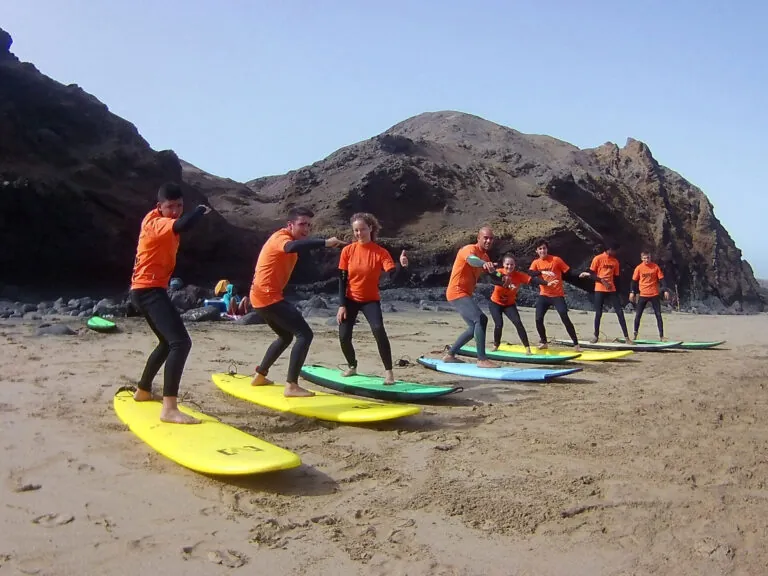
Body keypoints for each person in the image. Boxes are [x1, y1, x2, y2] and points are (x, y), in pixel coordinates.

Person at [129, 182, 211, 424]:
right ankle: (169, 409)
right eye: (170, 206)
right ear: (159, 207)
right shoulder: (156, 222)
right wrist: (198, 211)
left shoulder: (160, 220)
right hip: (148, 290)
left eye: (179, 206)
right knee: (181, 343)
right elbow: (183, 224)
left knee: (167, 343)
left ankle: (143, 391)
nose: (175, 211)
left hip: (148, 289)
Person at [249, 206, 346, 397]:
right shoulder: (282, 238)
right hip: (267, 297)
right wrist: (325, 242)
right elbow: (290, 248)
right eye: (302, 224)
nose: (306, 229)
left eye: (309, 225)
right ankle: (291, 385)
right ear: (290, 224)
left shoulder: (291, 238)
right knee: (304, 334)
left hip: (261, 296)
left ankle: (260, 375)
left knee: (285, 336)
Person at [336, 213, 409, 385]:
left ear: (370, 228)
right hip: (350, 299)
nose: (359, 233)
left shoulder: (380, 253)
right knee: (344, 336)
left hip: (370, 300)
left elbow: (393, 276)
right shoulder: (348, 251)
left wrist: (403, 267)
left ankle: (389, 373)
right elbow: (342, 279)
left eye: (362, 229)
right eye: (356, 230)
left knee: (378, 330)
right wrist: (341, 305)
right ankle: (352, 366)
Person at [442, 227, 514, 368]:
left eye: (490, 238)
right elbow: (473, 261)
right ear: (478, 238)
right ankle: (481, 359)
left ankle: (450, 355)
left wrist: (503, 277)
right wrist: (484, 264)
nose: (488, 240)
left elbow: (492, 275)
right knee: (481, 319)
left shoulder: (485, 257)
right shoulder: (468, 250)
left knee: (473, 327)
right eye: (485, 238)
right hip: (456, 291)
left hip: (464, 293)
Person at [489, 254, 558, 353]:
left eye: (512, 264)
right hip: (495, 303)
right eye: (507, 264)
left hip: (509, 305)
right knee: (499, 324)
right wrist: (505, 283)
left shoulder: (519, 275)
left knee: (518, 323)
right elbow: (493, 278)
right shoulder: (500, 272)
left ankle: (527, 348)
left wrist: (547, 283)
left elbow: (532, 280)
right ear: (503, 264)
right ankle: (496, 345)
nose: (509, 266)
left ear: (515, 265)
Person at [528, 239, 583, 352]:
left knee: (564, 317)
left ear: (547, 249)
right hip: (544, 295)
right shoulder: (536, 263)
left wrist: (580, 273)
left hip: (557, 295)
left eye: (544, 248)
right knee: (538, 319)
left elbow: (569, 271)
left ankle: (576, 344)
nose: (542, 250)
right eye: (540, 249)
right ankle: (543, 342)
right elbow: (530, 274)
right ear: (537, 251)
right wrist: (542, 272)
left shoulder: (556, 260)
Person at [580, 242, 633, 344]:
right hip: (599, 289)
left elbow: (617, 279)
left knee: (620, 313)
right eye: (614, 250)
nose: (615, 252)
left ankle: (627, 337)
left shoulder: (615, 262)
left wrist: (619, 293)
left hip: (611, 289)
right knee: (598, 313)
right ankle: (595, 336)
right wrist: (602, 281)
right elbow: (591, 274)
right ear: (608, 249)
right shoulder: (598, 259)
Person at [629, 249, 671, 340]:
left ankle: (661, 336)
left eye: (648, 258)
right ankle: (635, 334)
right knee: (638, 315)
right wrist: (632, 292)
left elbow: (662, 280)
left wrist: (665, 290)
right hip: (643, 294)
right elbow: (633, 282)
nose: (647, 260)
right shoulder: (639, 268)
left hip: (654, 294)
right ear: (641, 259)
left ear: (650, 258)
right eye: (645, 258)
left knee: (658, 315)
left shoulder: (655, 267)